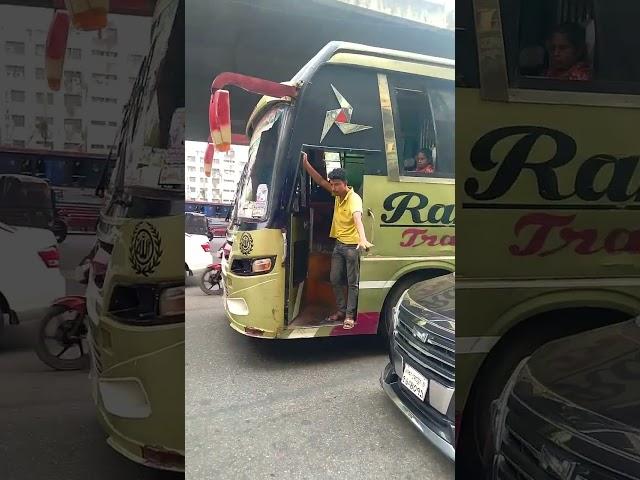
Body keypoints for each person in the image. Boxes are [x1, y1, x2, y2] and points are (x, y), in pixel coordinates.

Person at [301, 152, 374, 330]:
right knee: (335, 279)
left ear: (345, 184)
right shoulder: (337, 195)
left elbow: (358, 218)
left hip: (351, 247)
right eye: (332, 185)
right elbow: (319, 181)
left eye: (337, 185)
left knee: (352, 282)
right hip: (339, 245)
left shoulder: (354, 199)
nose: (333, 188)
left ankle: (349, 316)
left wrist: (363, 238)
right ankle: (341, 310)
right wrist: (305, 163)